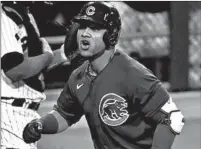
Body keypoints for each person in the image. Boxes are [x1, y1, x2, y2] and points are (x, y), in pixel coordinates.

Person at [22, 2, 185, 149]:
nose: (85, 33)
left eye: (94, 28)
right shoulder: (78, 76)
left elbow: (173, 118)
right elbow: (64, 115)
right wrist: (40, 124)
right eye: (83, 26)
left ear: (111, 35)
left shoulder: (133, 74)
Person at [1, 2, 67, 149]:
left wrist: (63, 54)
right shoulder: (4, 16)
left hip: (20, 114)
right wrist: (48, 57)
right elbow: (15, 69)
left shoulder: (23, 14)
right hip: (8, 112)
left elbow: (34, 67)